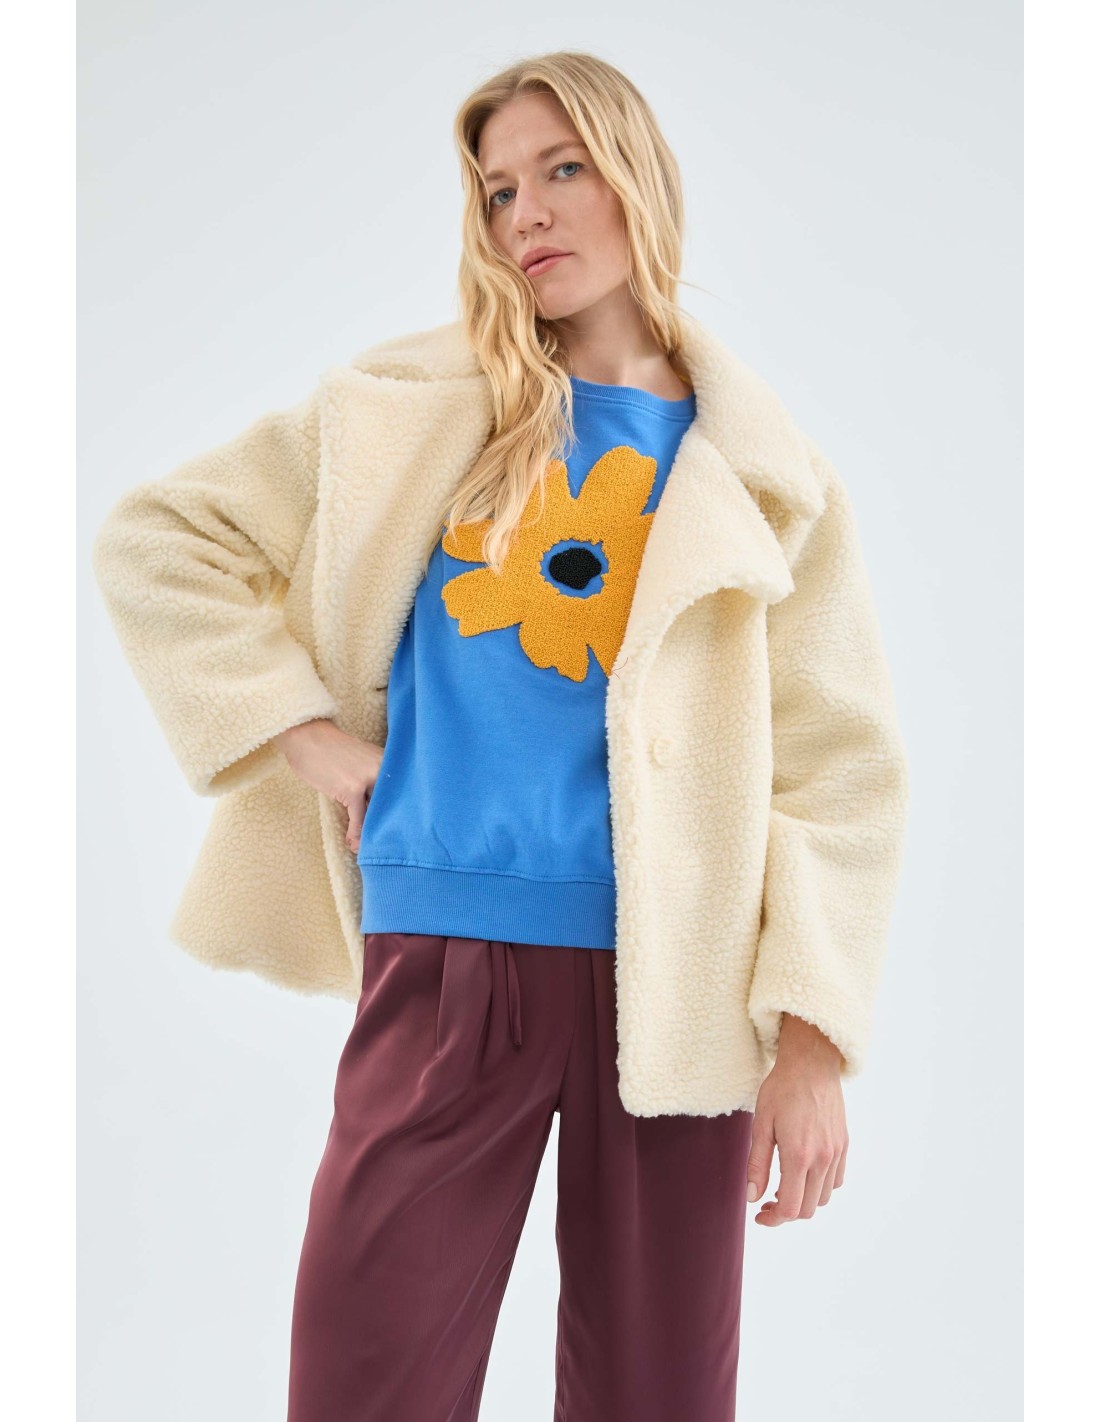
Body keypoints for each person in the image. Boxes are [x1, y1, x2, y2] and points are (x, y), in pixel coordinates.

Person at [91, 49, 909, 1422]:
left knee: (657, 1397)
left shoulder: (768, 473)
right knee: (364, 1383)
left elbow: (842, 769)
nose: (526, 213)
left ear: (638, 177)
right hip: (445, 960)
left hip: (679, 987)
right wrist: (305, 735)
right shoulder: (408, 411)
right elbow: (160, 540)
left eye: (561, 169)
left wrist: (814, 1041)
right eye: (497, 190)